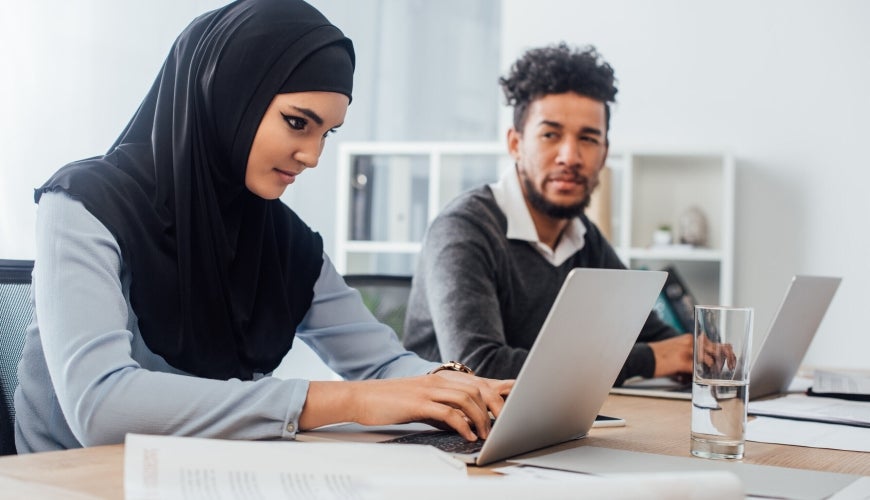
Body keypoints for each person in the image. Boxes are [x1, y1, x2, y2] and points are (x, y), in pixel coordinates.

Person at [14, 0, 512, 454]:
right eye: (299, 123)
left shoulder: (282, 242)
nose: (313, 156)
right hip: (73, 482)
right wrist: (348, 401)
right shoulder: (83, 205)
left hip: (210, 477)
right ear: (229, 95)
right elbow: (101, 407)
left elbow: (382, 364)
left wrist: (466, 389)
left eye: (327, 134)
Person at [402, 43, 694, 385]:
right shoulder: (464, 230)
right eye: (550, 135)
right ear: (515, 144)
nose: (570, 156)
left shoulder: (583, 238)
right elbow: (479, 368)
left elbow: (652, 335)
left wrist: (703, 351)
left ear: (603, 154)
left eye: (588, 138)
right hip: (445, 434)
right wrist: (647, 360)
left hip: (544, 426)